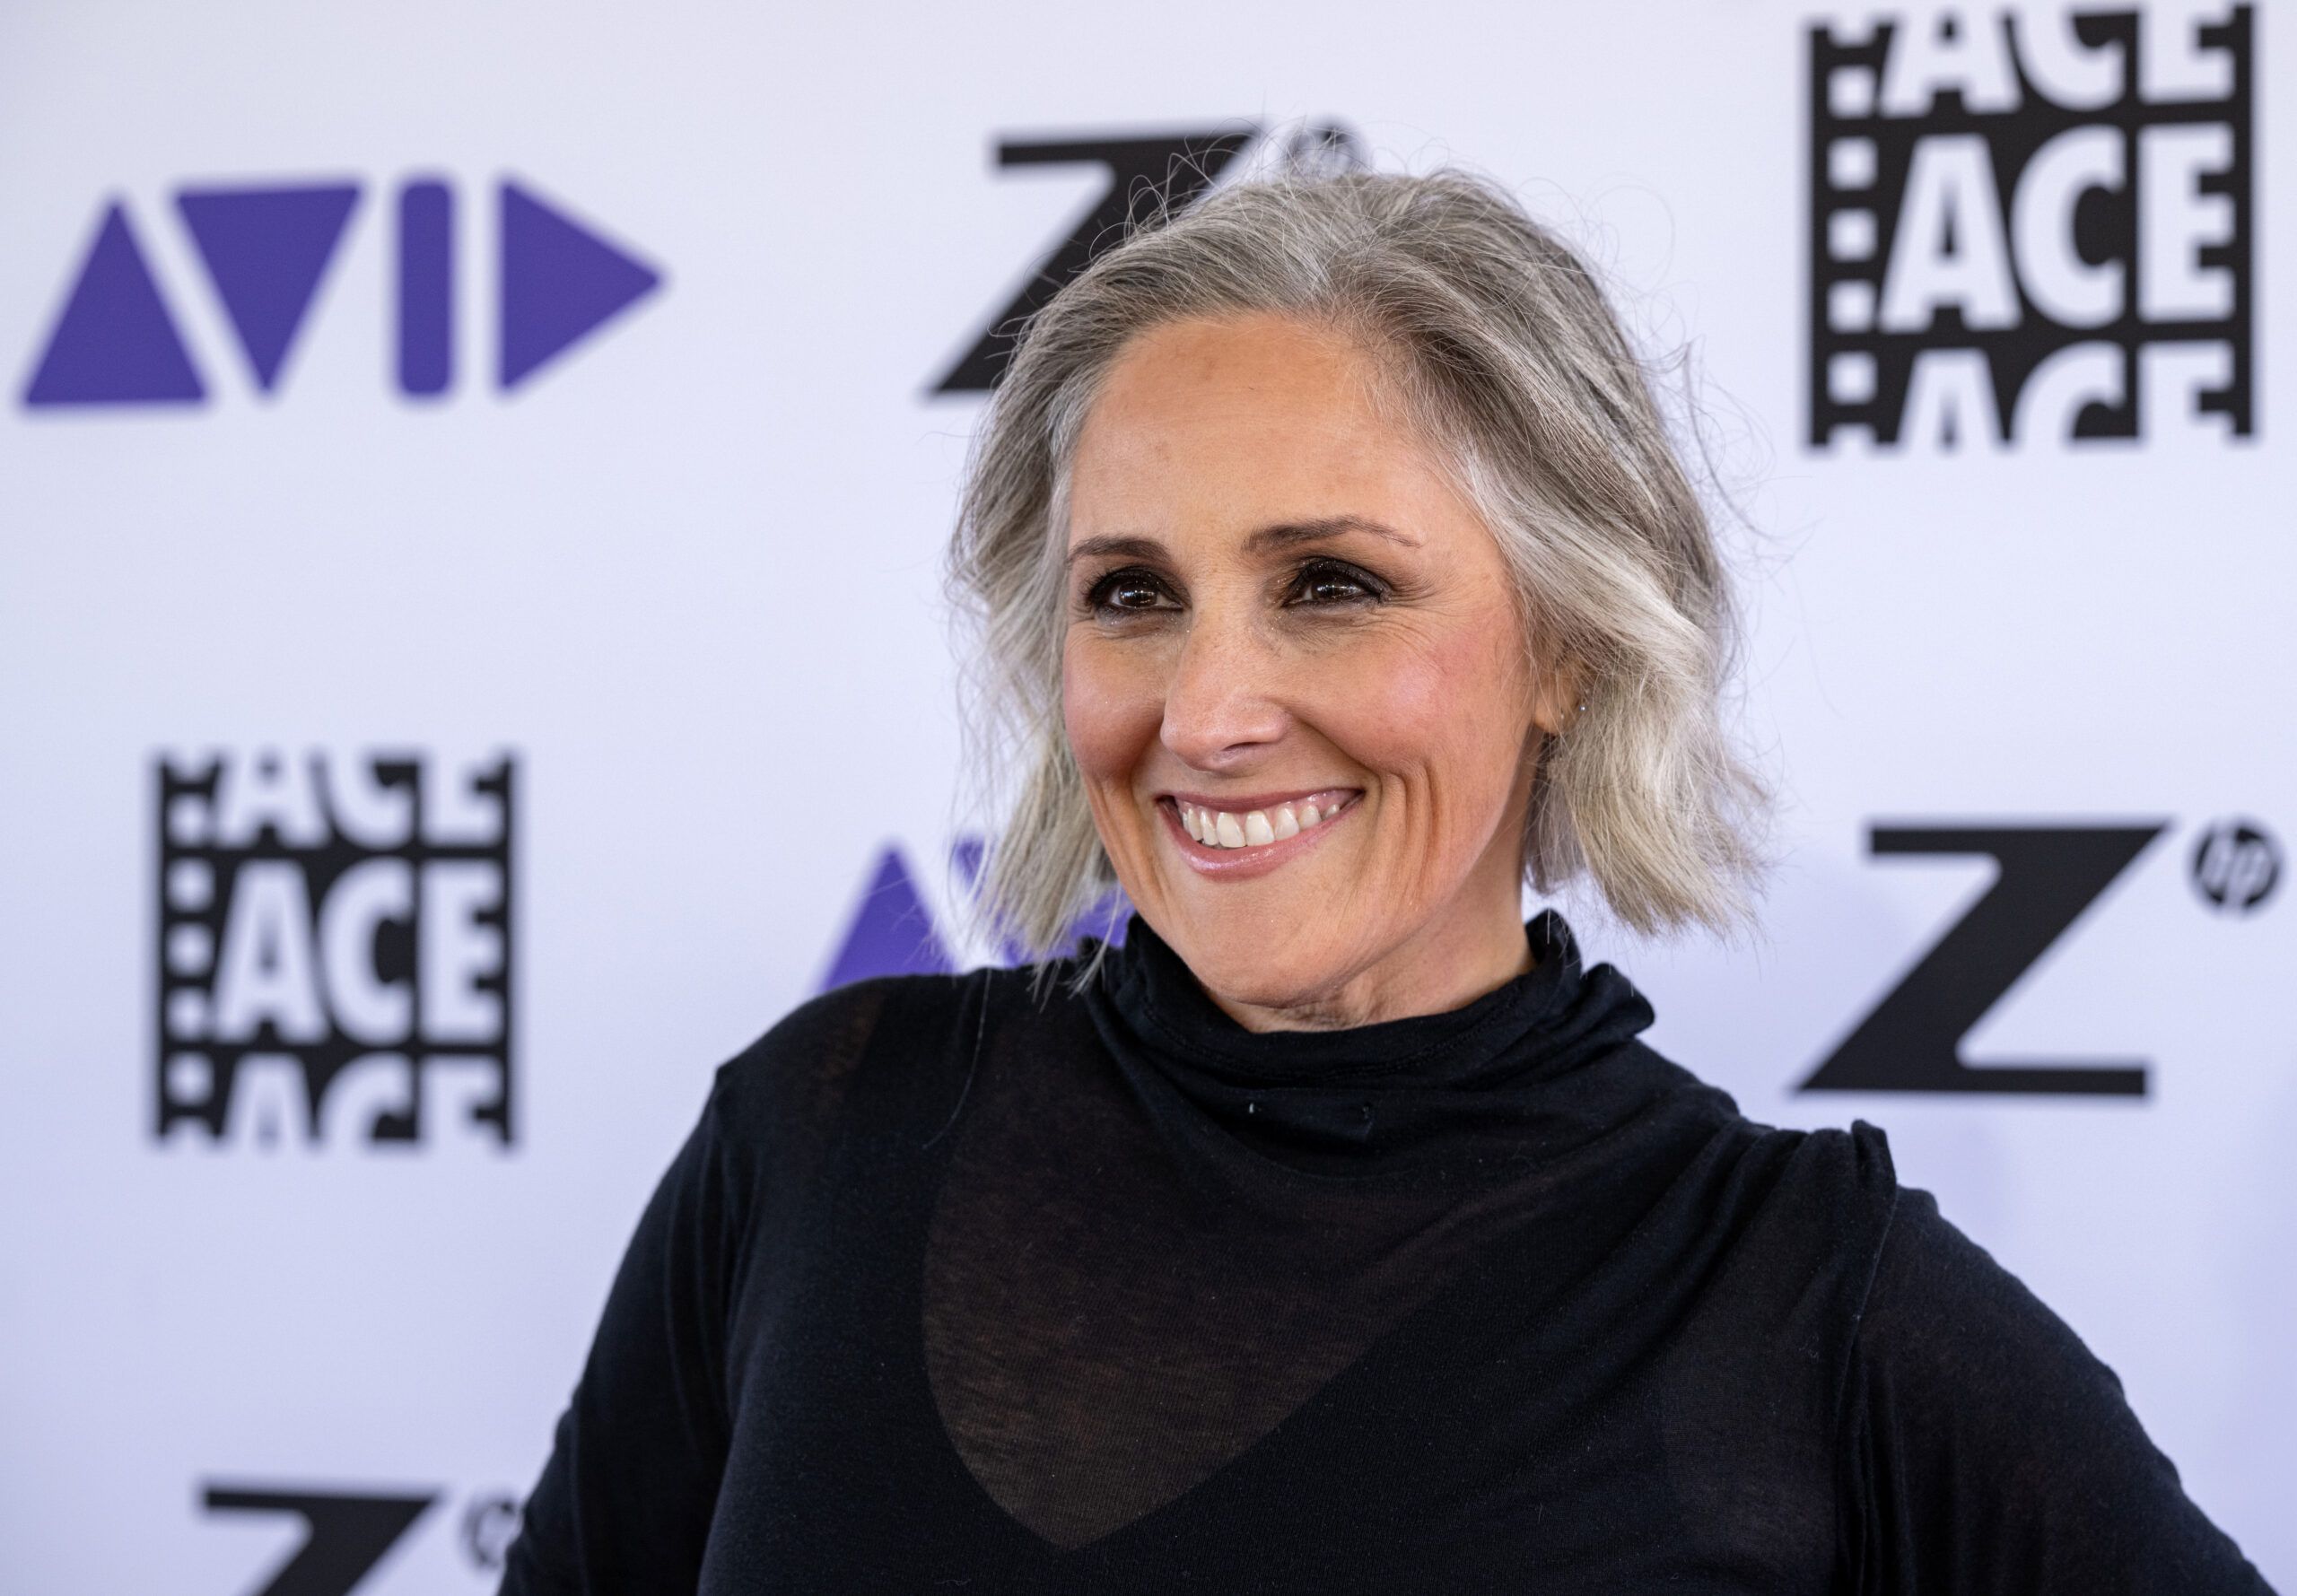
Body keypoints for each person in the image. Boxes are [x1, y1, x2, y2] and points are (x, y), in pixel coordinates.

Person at [499, 168, 2273, 1592]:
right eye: (1129, 591)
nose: (1203, 711)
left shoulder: (1804, 1302)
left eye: (1328, 584)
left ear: (1565, 639)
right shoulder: (820, 1132)